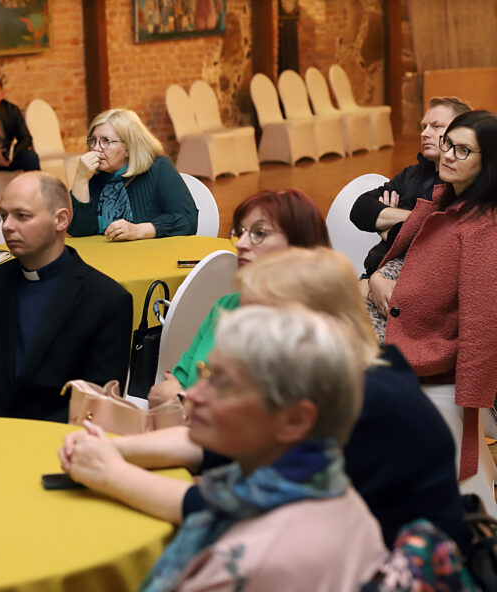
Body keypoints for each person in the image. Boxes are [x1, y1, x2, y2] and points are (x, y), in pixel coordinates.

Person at [60, 247, 467, 552]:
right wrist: (116, 449)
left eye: (257, 318)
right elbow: (218, 443)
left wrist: (112, 473)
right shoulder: (339, 372)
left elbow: (229, 508)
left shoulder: (365, 403)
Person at [100, 305, 385, 592]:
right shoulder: (341, 498)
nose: (193, 395)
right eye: (205, 374)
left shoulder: (247, 561)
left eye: (223, 384)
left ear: (295, 420)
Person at [369, 109, 497, 483]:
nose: (448, 155)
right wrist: (376, 278)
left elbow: (481, 327)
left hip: (423, 358)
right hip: (399, 340)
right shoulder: (446, 205)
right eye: (447, 144)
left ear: (488, 163)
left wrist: (469, 427)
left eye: (462, 150)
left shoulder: (482, 229)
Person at [0, 172, 133, 422]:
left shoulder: (106, 299)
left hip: (59, 439)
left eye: (22, 216)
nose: (7, 226)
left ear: (61, 220)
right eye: (4, 215)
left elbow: (96, 404)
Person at [148, 189, 329, 407]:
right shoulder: (228, 305)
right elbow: (174, 383)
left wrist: (182, 400)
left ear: (299, 246)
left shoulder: (308, 328)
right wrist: (179, 399)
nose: (241, 244)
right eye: (240, 232)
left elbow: (264, 417)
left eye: (259, 233)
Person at [349, 96, 471, 283]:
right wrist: (416, 220)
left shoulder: (460, 183)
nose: (425, 133)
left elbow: (437, 241)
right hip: (373, 271)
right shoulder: (412, 174)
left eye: (436, 126)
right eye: (424, 126)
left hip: (414, 283)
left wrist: (386, 226)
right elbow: (360, 209)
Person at [69, 108, 197, 240]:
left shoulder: (159, 168)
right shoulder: (96, 177)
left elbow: (187, 219)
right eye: (93, 141)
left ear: (129, 148)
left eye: (105, 141)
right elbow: (79, 231)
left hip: (152, 251)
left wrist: (139, 230)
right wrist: (81, 178)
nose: (95, 148)